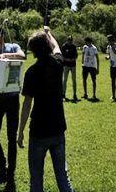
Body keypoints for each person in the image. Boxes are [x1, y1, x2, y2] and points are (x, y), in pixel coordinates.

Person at [18, 28, 75, 192]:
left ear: (33, 50)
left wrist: (20, 131)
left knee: (36, 180)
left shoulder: (31, 72)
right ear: (48, 45)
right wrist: (48, 33)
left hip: (38, 132)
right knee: (63, 178)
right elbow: (57, 47)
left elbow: (27, 105)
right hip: (58, 129)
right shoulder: (58, 63)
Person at [0, 25, 26, 191]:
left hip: (12, 97)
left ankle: (11, 175)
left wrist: (4, 55)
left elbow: (22, 56)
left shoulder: (13, 46)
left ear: (2, 35)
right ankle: (3, 166)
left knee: (11, 137)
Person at [60, 36, 78, 102]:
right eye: (69, 40)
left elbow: (76, 55)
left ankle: (74, 94)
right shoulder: (64, 46)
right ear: (67, 40)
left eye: (71, 40)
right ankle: (63, 94)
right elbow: (62, 55)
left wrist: (73, 59)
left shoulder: (73, 46)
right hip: (66, 65)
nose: (70, 42)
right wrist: (66, 59)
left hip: (73, 65)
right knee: (65, 80)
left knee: (74, 80)